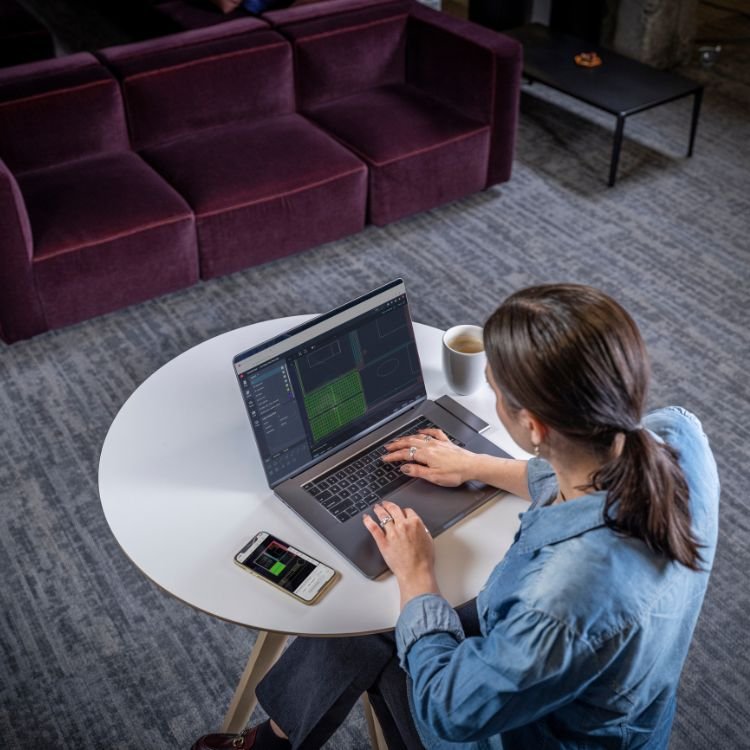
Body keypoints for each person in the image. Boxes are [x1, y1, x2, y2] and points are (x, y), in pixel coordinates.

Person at [193, 284, 719, 750]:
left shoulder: (557, 602)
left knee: (376, 620)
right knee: (364, 616)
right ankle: (278, 738)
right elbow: (584, 468)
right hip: (596, 694)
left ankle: (273, 740)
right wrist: (473, 465)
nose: (492, 395)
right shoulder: (677, 435)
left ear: (535, 427)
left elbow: (449, 711)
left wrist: (418, 577)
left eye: (496, 390)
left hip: (523, 734)